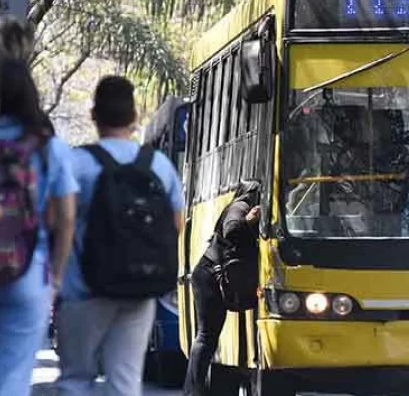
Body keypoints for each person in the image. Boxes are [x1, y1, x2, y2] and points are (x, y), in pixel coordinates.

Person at [56, 76, 184, 396]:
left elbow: (59, 222)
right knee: (125, 382)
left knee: (76, 380)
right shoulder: (159, 166)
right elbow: (176, 224)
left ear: (94, 116)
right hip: (139, 290)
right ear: (134, 116)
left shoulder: (77, 163)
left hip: (83, 290)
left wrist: (56, 275)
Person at [0, 58, 78, 395]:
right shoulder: (48, 147)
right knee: (14, 375)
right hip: (29, 268)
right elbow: (67, 218)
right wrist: (56, 276)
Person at [184, 181, 261, 396]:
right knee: (206, 336)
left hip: (214, 276)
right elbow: (232, 230)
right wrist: (250, 221)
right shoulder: (241, 206)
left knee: (209, 336)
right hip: (208, 277)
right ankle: (193, 391)